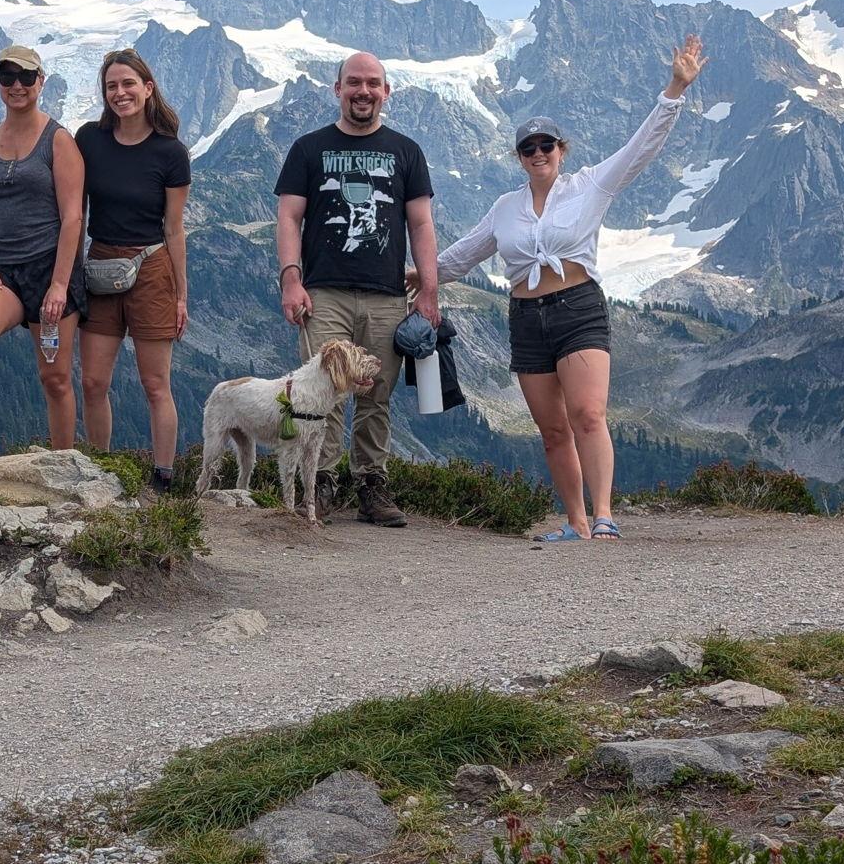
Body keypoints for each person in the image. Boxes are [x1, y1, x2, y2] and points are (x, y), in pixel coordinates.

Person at [431, 36, 707, 543]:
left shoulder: (591, 185)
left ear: (561, 151)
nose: (538, 154)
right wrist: (418, 277)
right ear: (520, 158)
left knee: (587, 414)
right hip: (526, 318)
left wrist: (674, 89)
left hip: (578, 307)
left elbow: (641, 148)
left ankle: (603, 515)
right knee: (553, 430)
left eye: (546, 146)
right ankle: (575, 521)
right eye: (528, 148)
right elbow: (462, 255)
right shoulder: (504, 207)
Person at [274, 52, 438, 527]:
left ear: (387, 92)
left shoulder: (406, 151)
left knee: (375, 395)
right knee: (321, 393)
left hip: (388, 294)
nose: (363, 92)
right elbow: (288, 216)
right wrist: (291, 278)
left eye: (372, 84)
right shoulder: (309, 148)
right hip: (323, 291)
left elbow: (422, 223)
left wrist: (428, 291)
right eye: (353, 83)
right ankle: (319, 484)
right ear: (337, 89)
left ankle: (371, 485)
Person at [0, 45, 86, 464]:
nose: (17, 85)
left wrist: (60, 283)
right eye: (7, 77)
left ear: (40, 82)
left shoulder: (59, 140)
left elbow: (72, 219)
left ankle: (64, 461)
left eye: (26, 77)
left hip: (51, 272)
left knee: (56, 377)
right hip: (3, 272)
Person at [77, 49, 191, 490]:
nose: (120, 93)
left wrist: (181, 294)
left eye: (128, 84)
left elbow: (175, 229)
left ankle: (163, 475)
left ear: (148, 88)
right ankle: (99, 471)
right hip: (101, 263)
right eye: (111, 86)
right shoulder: (89, 139)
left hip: (152, 266)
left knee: (154, 383)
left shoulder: (171, 153)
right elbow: (76, 210)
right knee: (92, 381)